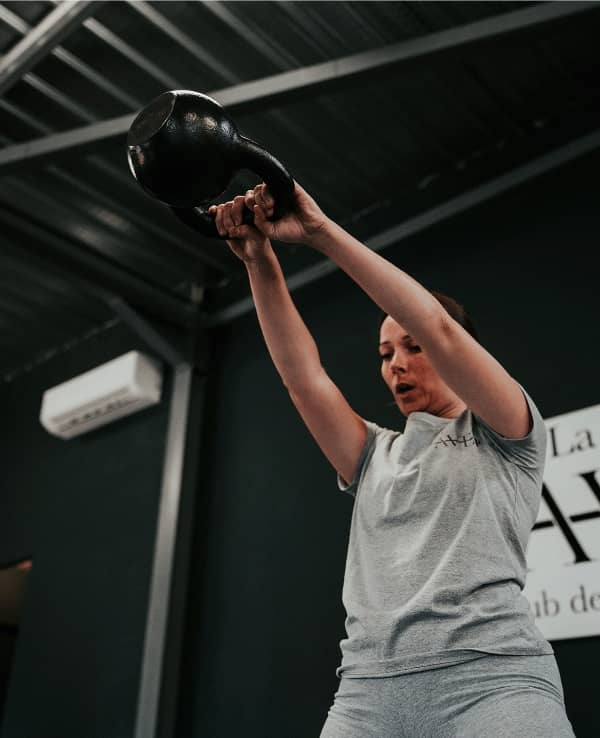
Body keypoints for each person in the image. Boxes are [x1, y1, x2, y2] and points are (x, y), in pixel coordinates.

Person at [209, 184, 576, 737]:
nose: (396, 365)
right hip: (368, 693)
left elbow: (441, 328)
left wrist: (320, 232)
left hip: (492, 681)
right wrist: (259, 260)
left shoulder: (507, 430)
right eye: (385, 354)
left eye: (412, 347)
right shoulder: (373, 454)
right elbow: (302, 378)